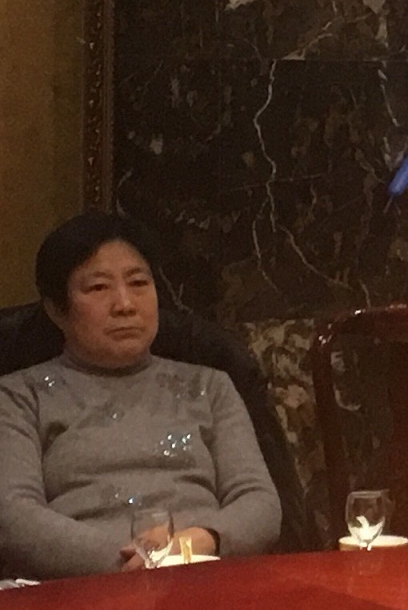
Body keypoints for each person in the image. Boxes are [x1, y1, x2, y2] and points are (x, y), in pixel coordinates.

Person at [0, 213, 283, 579]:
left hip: (205, 579)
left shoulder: (210, 386)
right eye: (98, 288)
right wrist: (136, 560)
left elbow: (259, 502)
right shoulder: (20, 397)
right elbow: (14, 516)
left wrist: (197, 543)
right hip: (81, 588)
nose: (125, 304)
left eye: (138, 283)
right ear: (56, 310)